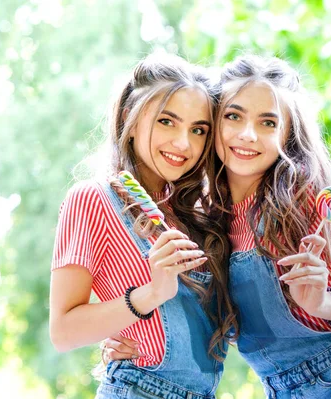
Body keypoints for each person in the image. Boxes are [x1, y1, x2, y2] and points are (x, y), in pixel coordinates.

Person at [106, 55, 331, 398]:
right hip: (280, 390)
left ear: (288, 134)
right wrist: (129, 338)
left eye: (268, 123)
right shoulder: (206, 221)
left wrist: (326, 302)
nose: (247, 135)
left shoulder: (307, 198)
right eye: (233, 116)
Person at [49, 53, 236, 399]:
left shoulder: (200, 216)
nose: (184, 143)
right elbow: (63, 331)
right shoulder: (93, 199)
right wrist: (150, 294)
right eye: (167, 121)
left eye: (198, 130)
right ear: (130, 119)